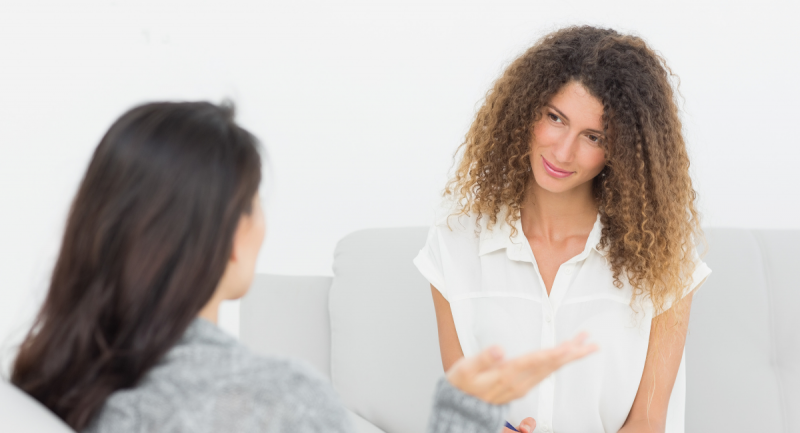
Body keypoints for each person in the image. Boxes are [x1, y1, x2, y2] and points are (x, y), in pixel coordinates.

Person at [10, 101, 596, 433]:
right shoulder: (274, 401)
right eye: (253, 202)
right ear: (227, 234)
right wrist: (462, 412)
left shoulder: (43, 384)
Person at [413, 26, 712, 433]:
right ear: (526, 110)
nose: (563, 151)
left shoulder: (663, 259)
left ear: (621, 151)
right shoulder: (455, 245)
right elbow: (467, 408)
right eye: (555, 118)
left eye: (593, 137)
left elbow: (648, 420)